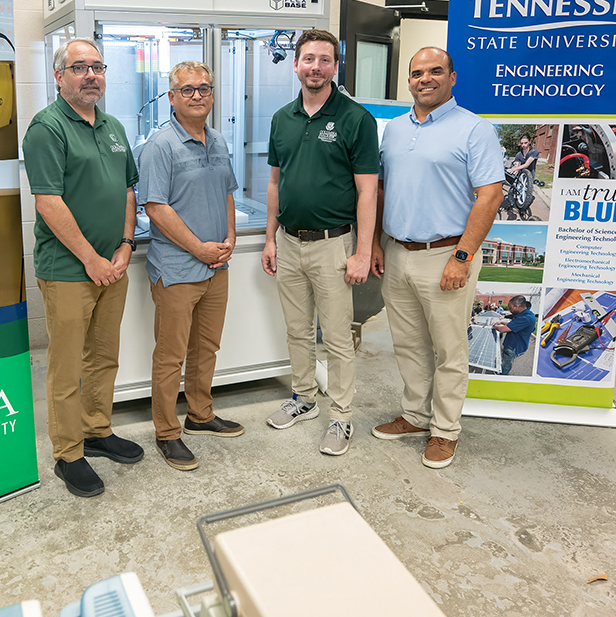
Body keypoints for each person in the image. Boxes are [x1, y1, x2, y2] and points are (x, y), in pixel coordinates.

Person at [369, 46, 503, 469]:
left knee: (449, 349)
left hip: (446, 254)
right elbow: (383, 191)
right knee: (408, 345)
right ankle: (414, 415)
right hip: (397, 252)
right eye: (417, 73)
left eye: (435, 72)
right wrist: (375, 242)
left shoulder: (474, 130)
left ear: (452, 77)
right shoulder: (392, 129)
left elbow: (491, 195)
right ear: (408, 80)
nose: (425, 79)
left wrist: (462, 257)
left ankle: (445, 431)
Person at [21, 37, 143, 498]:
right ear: (59, 76)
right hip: (70, 270)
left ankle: (97, 429)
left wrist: (126, 245)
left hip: (113, 265)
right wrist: (91, 259)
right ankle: (68, 453)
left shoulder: (111, 125)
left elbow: (129, 189)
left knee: (103, 357)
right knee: (67, 367)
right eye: (79, 68)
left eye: (97, 66)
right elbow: (48, 201)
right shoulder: (47, 128)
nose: (91, 75)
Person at [261, 29, 378, 456]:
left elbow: (368, 191)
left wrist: (362, 252)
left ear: (334, 66)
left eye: (324, 60)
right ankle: (304, 399)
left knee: (337, 338)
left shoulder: (355, 119)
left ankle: (341, 417)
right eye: (308, 59)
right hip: (289, 243)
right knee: (296, 331)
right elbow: (275, 182)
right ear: (296, 65)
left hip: (334, 245)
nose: (315, 67)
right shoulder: (281, 118)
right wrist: (270, 238)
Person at [138, 61, 243, 471]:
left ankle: (200, 414)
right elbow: (155, 208)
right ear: (172, 97)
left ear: (213, 95)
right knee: (171, 355)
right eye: (187, 90)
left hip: (217, 266)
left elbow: (228, 192)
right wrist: (199, 248)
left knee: (206, 348)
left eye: (204, 88)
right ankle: (167, 433)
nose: (197, 95)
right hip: (178, 269)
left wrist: (229, 238)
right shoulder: (160, 145)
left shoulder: (216, 139)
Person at [494, 295, 536, 376]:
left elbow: (503, 329)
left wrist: (494, 325)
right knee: (504, 364)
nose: (509, 311)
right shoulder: (526, 314)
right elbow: (514, 324)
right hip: (514, 345)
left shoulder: (525, 318)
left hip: (512, 348)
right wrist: (502, 322)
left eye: (510, 308)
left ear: (517, 306)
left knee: (505, 369)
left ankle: (502, 379)